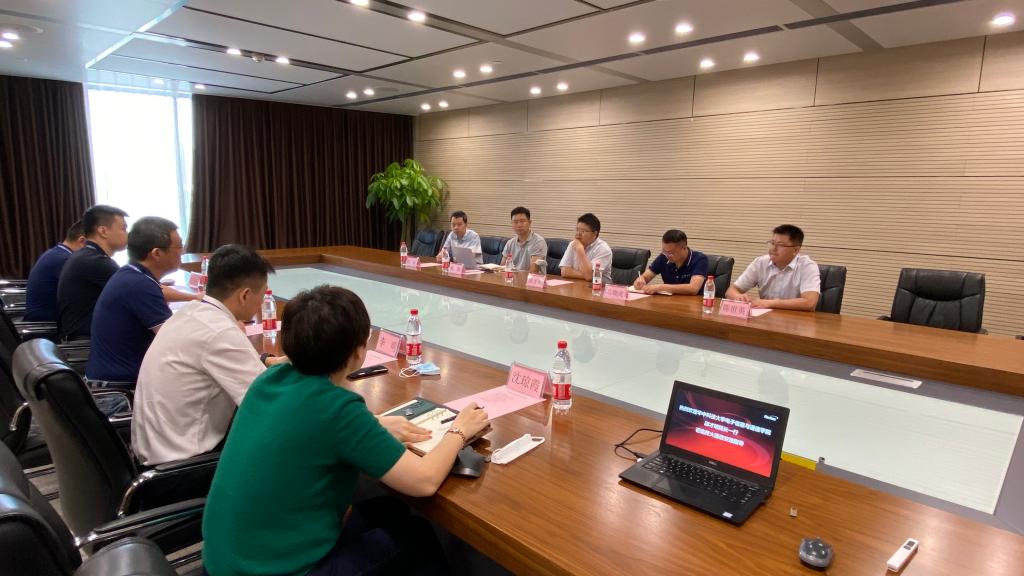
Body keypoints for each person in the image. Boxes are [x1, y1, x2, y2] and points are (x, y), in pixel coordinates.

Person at [203, 285, 490, 576]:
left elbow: (309, 424)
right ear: (358, 352)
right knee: (417, 534)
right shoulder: (337, 408)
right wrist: (459, 430)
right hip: (274, 570)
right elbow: (424, 481)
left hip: (227, 558)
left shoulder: (272, 378)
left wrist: (373, 424)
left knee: (391, 510)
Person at [132, 244, 290, 465]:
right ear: (245, 295)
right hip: (184, 464)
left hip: (155, 449)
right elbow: (269, 403)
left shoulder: (190, 313)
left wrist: (266, 360)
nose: (261, 303)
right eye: (262, 295)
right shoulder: (220, 331)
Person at [85, 217, 182, 385]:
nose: (182, 251)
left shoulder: (132, 275)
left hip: (113, 378)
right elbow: (176, 341)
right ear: (157, 253)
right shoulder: (139, 285)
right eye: (179, 246)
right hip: (121, 388)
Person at [56, 205, 129, 341]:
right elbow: (139, 290)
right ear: (103, 231)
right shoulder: (96, 261)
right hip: (87, 342)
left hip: (82, 337)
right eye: (123, 229)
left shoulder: (86, 255)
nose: (127, 234)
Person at [725, 224, 820, 311]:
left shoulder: (807, 266)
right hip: (765, 318)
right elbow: (731, 291)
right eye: (772, 243)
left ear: (795, 250)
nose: (774, 249)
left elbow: (809, 303)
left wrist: (768, 303)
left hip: (796, 321)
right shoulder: (760, 263)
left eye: (781, 245)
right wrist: (739, 297)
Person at [23, 220, 86, 322]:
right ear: (82, 241)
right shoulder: (66, 260)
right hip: (48, 326)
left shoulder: (55, 253)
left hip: (41, 321)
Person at [633, 229, 708, 295]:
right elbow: (646, 276)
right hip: (668, 302)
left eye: (670, 253)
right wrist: (641, 280)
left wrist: (660, 287)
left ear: (684, 248)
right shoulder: (663, 257)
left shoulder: (700, 259)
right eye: (664, 251)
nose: (667, 256)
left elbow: (693, 288)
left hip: (692, 303)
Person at [559, 212, 612, 284]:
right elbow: (564, 271)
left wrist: (580, 250)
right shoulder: (573, 244)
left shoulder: (604, 249)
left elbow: (589, 276)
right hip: (577, 285)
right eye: (577, 230)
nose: (578, 234)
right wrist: (587, 275)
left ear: (594, 233)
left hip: (599, 288)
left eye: (583, 231)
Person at [501, 206, 547, 273]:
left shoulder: (538, 242)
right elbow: (502, 268)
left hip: (532, 279)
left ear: (530, 222)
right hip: (512, 278)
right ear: (511, 224)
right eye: (515, 222)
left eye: (522, 221)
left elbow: (533, 271)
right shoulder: (510, 243)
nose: (519, 225)